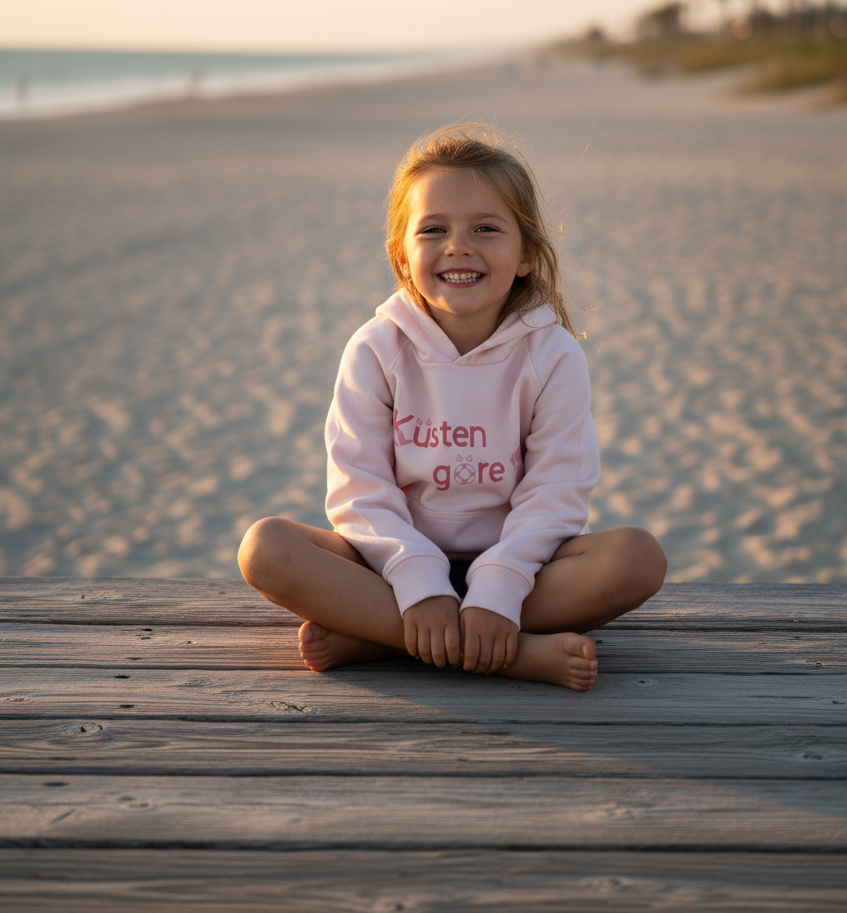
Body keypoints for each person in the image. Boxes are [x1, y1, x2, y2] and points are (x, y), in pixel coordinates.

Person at [238, 125, 666, 691]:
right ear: (401, 256)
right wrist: (418, 580)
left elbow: (556, 492)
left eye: (485, 229)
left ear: (526, 254)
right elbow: (359, 489)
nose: (458, 246)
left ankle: (379, 639)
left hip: (523, 570)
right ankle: (510, 654)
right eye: (434, 229)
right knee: (266, 548)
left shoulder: (552, 353)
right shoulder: (377, 348)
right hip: (389, 568)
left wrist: (499, 585)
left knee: (638, 558)